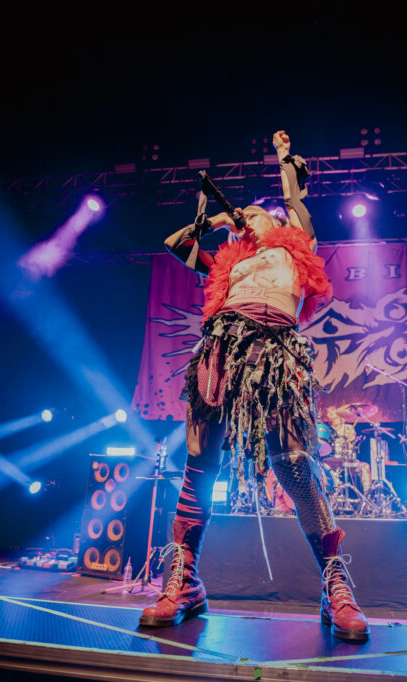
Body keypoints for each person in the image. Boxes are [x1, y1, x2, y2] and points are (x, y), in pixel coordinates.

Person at [141, 130, 369, 641]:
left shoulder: (296, 248)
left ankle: (335, 585)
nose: (246, 215)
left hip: (276, 353)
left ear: (278, 223)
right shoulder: (228, 262)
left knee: (294, 465)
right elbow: (175, 244)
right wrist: (217, 221)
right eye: (243, 212)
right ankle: (185, 581)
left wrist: (285, 159)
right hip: (221, 348)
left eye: (254, 213)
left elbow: (296, 205)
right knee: (199, 462)